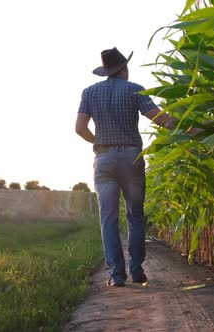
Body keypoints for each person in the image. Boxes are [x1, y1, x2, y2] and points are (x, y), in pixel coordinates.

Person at [75, 47, 193, 287]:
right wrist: (191, 129)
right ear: (124, 68)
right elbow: (161, 119)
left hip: (104, 159)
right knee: (135, 216)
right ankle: (137, 271)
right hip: (131, 158)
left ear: (107, 71)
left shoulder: (89, 92)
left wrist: (96, 141)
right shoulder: (135, 90)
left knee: (107, 218)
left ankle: (117, 276)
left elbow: (80, 128)